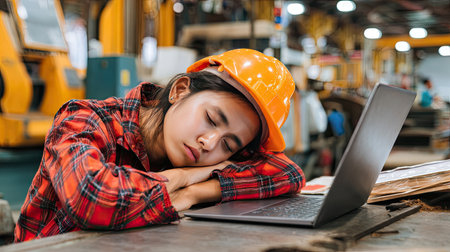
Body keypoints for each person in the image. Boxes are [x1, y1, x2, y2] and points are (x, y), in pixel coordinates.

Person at [14, 49, 305, 242]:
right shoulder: (85, 118)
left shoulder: (191, 156)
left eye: (229, 144)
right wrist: (178, 179)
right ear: (180, 90)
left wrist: (194, 190)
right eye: (212, 119)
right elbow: (93, 197)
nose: (210, 143)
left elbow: (287, 173)